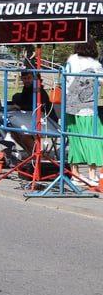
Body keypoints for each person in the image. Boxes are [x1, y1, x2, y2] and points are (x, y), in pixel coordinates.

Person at [64, 38, 103, 185]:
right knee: (94, 139)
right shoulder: (94, 64)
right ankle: (92, 174)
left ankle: (75, 174)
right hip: (86, 108)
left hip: (69, 106)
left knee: (75, 140)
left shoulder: (71, 59)